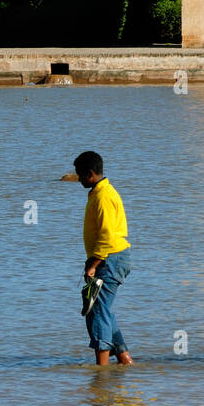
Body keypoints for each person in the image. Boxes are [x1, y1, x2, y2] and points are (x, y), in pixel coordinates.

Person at [74, 150, 134, 366]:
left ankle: (102, 370)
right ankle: (124, 359)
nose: (78, 179)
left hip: (110, 259)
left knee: (97, 310)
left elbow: (107, 236)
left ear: (90, 173)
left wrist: (94, 263)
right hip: (109, 258)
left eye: (80, 175)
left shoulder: (103, 196)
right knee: (103, 309)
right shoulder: (100, 192)